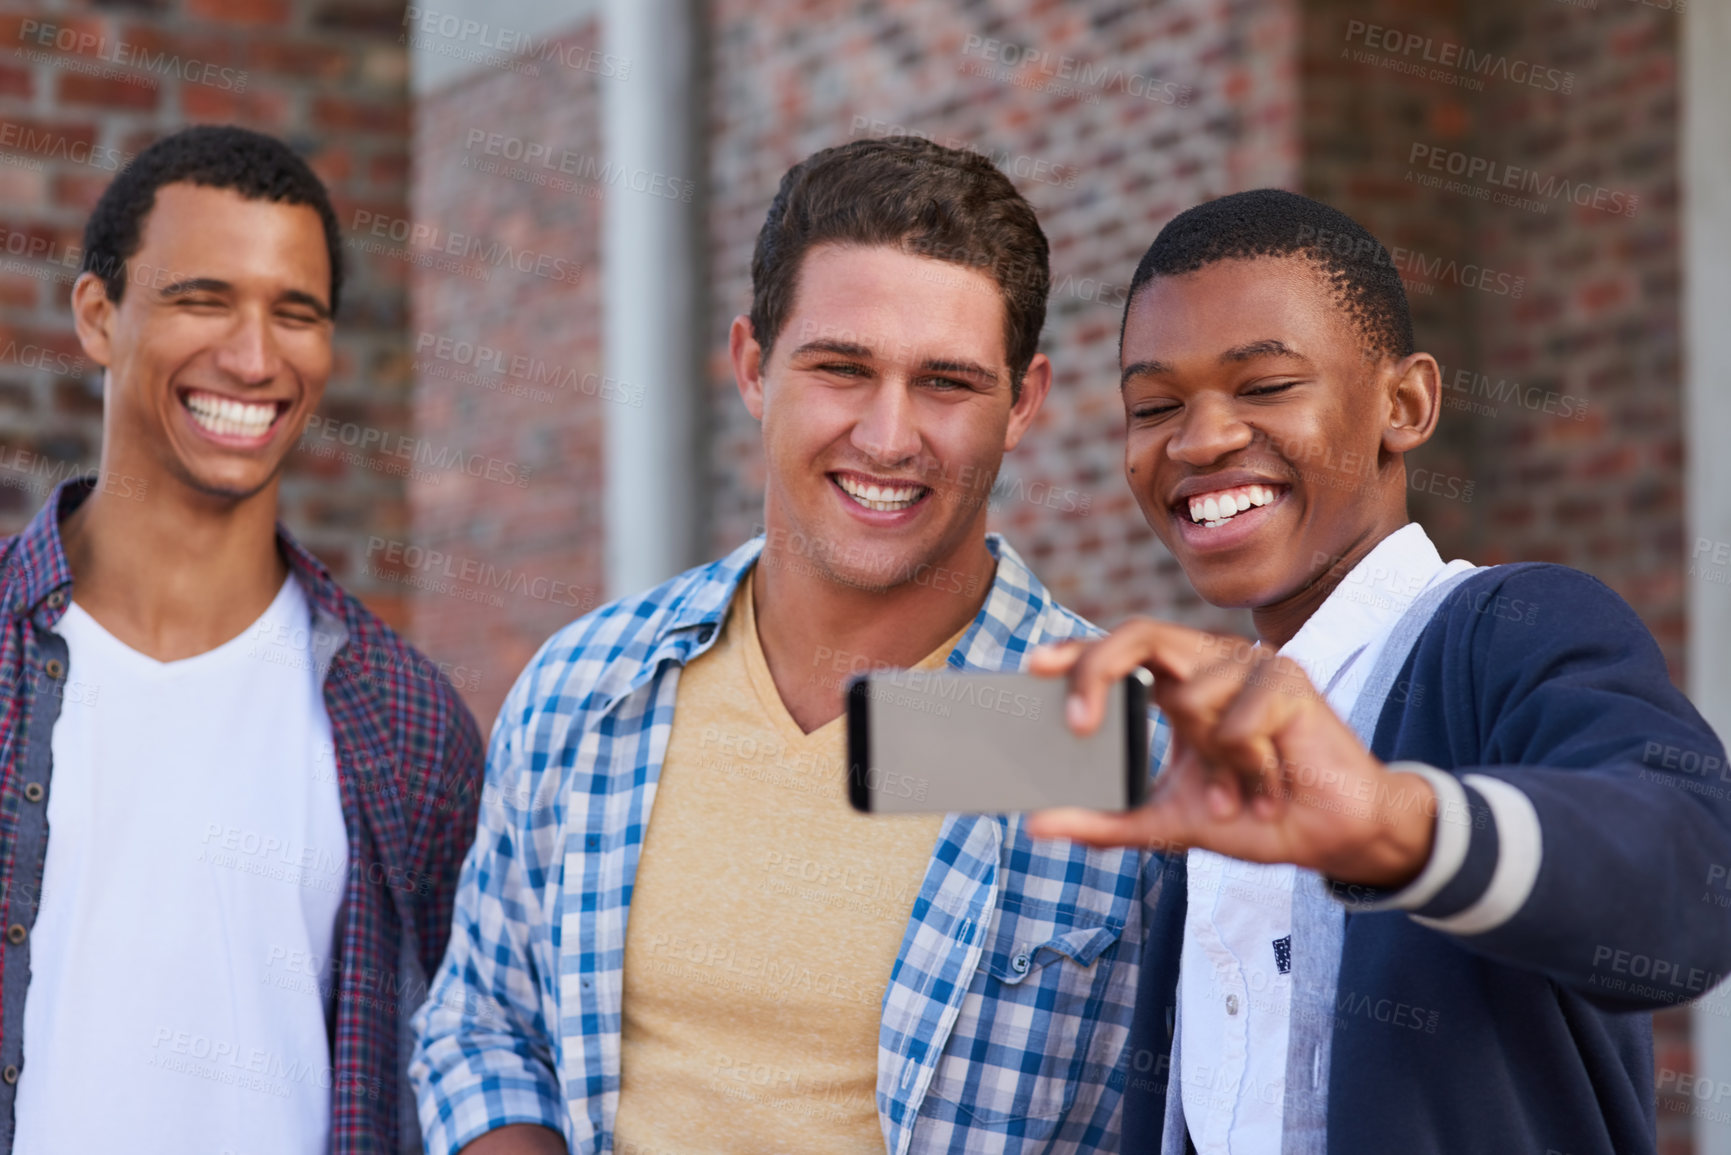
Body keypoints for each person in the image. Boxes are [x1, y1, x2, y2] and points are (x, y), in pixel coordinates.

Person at [412, 136, 1165, 1154]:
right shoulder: (593, 689)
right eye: (843, 369)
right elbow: (484, 1027)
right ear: (754, 367)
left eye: (946, 383)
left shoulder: (1105, 735)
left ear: (1022, 403)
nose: (890, 437)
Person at [1027, 188, 1731, 1155]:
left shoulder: (1505, 630)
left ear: (1404, 404)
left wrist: (1392, 823)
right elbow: (881, 754)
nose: (1198, 440)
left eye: (1266, 385)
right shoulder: (1200, 730)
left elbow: (1694, 879)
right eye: (1153, 406)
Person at [0, 125, 484, 1155]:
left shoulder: (406, 721)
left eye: (294, 314)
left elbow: (466, 1063)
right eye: (202, 298)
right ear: (99, 316)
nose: (255, 357)